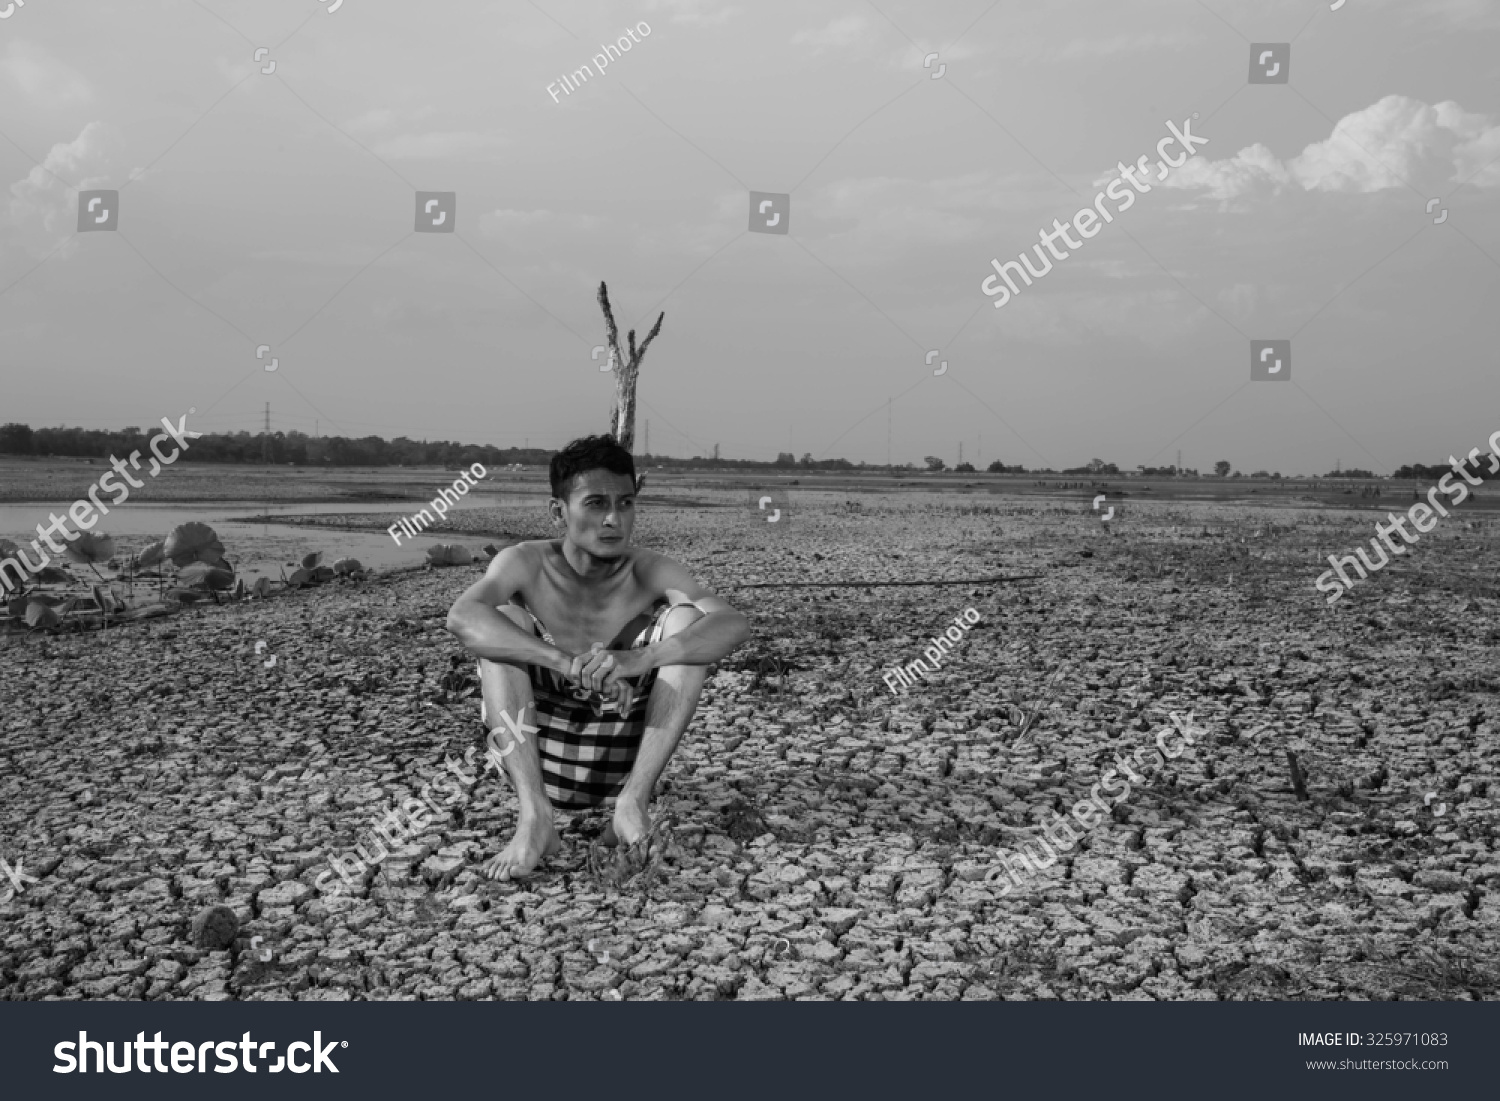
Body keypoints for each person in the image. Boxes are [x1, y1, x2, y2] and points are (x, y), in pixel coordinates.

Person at [445, 434, 751, 881]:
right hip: (538, 756)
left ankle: (631, 805)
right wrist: (566, 663)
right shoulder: (525, 562)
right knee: (503, 620)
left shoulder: (650, 569)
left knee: (687, 621)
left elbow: (733, 624)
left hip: (621, 763)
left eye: (625, 503)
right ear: (558, 512)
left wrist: (635, 661)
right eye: (595, 504)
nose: (613, 519)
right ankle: (535, 819)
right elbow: (462, 617)